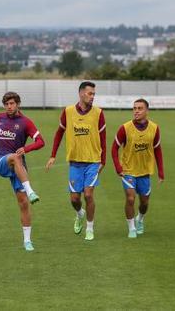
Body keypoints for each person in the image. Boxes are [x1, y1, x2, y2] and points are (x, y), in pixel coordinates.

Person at [0, 92, 45, 251]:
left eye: (11, 103)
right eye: (6, 104)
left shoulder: (25, 122)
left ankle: (27, 241)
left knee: (23, 203)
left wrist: (26, 148)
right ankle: (30, 190)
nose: (9, 107)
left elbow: (41, 142)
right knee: (14, 157)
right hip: (1, 162)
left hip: (18, 168)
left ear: (18, 104)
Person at [46, 81, 106, 241]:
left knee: (88, 195)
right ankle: (80, 214)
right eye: (90, 93)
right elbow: (59, 133)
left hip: (93, 161)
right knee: (74, 199)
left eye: (94, 94)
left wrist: (103, 160)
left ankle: (90, 228)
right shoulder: (68, 112)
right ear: (81, 93)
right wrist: (53, 155)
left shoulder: (99, 113)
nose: (92, 96)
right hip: (75, 162)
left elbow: (103, 138)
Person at [111, 98, 164, 238]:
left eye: (140, 108)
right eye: (134, 108)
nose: (136, 111)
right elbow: (114, 148)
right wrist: (118, 167)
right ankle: (131, 228)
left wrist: (161, 172)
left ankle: (140, 219)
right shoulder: (125, 128)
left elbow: (157, 150)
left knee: (144, 202)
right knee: (130, 198)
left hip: (145, 171)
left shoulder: (154, 128)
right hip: (128, 170)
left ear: (147, 111)